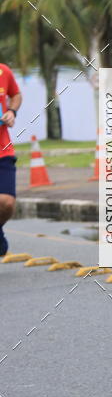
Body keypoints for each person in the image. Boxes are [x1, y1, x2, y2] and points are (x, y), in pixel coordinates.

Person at [0, 62, 22, 256]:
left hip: (2, 150)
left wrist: (11, 112)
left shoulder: (3, 71)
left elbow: (16, 94)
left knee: (7, 202)